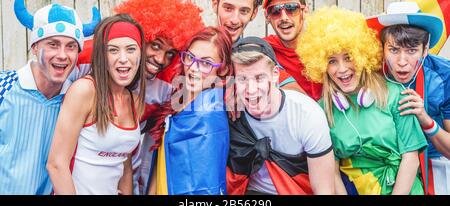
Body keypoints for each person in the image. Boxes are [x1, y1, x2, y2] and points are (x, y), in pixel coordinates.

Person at [71, 0, 206, 194]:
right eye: (156, 46)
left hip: (126, 178)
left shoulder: (169, 82)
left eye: (170, 53)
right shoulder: (88, 58)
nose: (161, 60)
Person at [297, 6, 428, 195]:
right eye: (332, 61)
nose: (342, 69)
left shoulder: (394, 94)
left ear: (362, 56)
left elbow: (411, 158)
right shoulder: (322, 110)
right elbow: (331, 172)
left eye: (348, 57)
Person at [0, 0, 99, 194]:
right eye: (53, 44)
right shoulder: (4, 87)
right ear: (35, 47)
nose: (62, 55)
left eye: (71, 46)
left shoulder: (77, 101)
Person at [46, 14, 146, 195]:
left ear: (140, 54)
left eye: (131, 49)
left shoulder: (135, 101)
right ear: (102, 55)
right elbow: (56, 164)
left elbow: (125, 167)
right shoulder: (85, 90)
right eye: (113, 50)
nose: (123, 58)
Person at [227, 37, 335, 195]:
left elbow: (324, 190)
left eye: (259, 78)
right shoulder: (230, 113)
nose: (250, 89)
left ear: (275, 74)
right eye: (242, 79)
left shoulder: (307, 115)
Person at [367, 1, 450, 195]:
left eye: (411, 51)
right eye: (394, 50)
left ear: (426, 49)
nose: (402, 62)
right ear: (382, 48)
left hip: (435, 163)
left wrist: (426, 121)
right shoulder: (371, 73)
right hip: (386, 164)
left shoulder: (445, 74)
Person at [148, 27, 233, 195]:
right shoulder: (184, 97)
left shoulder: (207, 116)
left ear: (222, 69)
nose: (193, 68)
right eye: (190, 57)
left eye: (206, 63)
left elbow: (203, 188)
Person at [262, 0, 322, 100]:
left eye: (292, 8)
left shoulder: (326, 46)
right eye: (275, 11)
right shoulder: (263, 48)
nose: (284, 18)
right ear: (267, 16)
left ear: (305, 10)